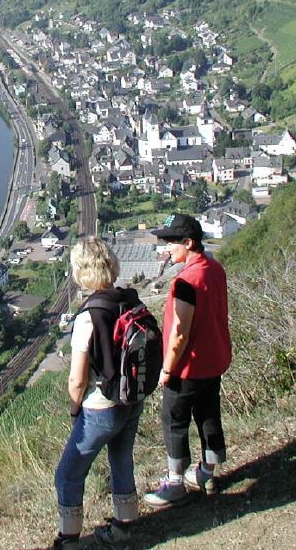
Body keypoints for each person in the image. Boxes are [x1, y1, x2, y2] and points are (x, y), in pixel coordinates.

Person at [53, 236, 144, 549]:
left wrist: (74, 409)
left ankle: (69, 539)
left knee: (68, 473)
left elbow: (77, 380)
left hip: (99, 408)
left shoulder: (87, 317)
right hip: (131, 399)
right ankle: (124, 526)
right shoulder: (131, 301)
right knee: (122, 460)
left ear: (81, 272)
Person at [143, 214, 231, 507]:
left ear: (188, 243)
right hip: (214, 359)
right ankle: (207, 472)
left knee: (174, 421)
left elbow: (180, 333)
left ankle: (175, 482)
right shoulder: (215, 269)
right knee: (208, 415)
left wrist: (167, 369)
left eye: (171, 242)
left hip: (188, 367)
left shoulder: (185, 282)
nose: (166, 248)